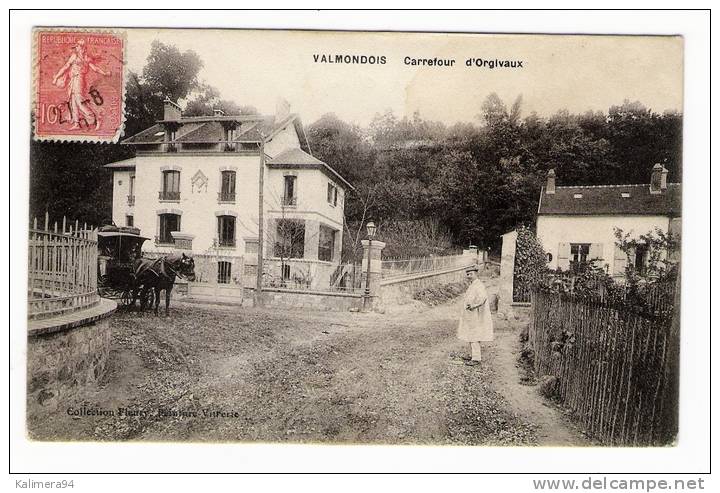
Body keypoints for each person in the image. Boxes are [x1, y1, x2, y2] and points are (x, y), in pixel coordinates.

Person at [457, 265, 494, 366]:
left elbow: (483, 298)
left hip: (476, 315)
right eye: (467, 274)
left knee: (474, 335)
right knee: (470, 334)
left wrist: (473, 306)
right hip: (470, 315)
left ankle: (476, 358)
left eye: (471, 274)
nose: (469, 276)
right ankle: (472, 354)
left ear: (476, 274)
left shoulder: (479, 285)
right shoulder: (473, 284)